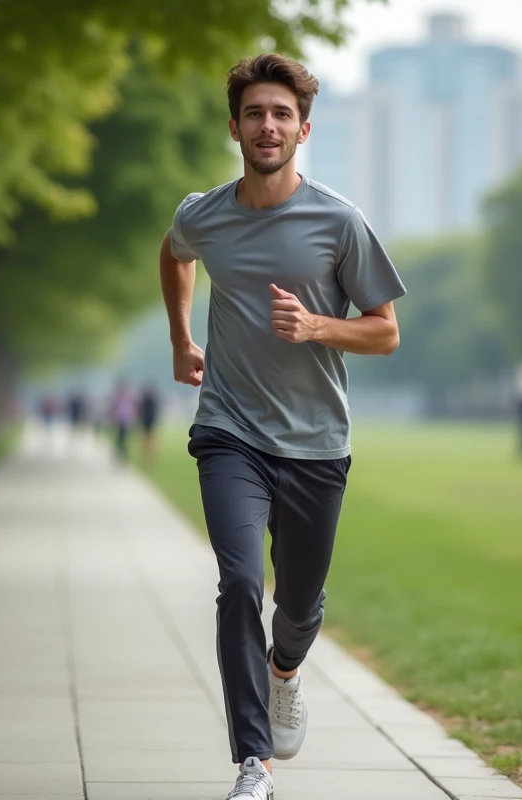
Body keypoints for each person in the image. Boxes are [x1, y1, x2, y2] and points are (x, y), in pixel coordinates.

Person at [159, 53, 406, 800]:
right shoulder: (204, 213)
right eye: (254, 114)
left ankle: (286, 671)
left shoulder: (338, 220)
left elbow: (386, 331)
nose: (267, 126)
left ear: (303, 128)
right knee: (239, 583)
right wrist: (180, 338)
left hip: (316, 444)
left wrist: (318, 327)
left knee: (296, 607)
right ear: (234, 126)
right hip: (229, 430)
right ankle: (252, 763)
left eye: (281, 114)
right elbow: (175, 256)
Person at [109, 380, 136, 464]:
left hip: (126, 421)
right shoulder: (117, 398)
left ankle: (124, 457)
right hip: (119, 421)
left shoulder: (129, 398)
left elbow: (132, 410)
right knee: (119, 440)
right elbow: (113, 409)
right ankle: (118, 455)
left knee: (124, 440)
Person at [138, 383, 160, 464]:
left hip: (149, 421)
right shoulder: (149, 400)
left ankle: (149, 452)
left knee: (148, 438)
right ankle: (148, 452)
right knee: (147, 438)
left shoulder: (147, 400)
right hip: (147, 421)